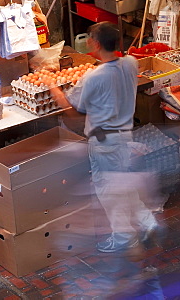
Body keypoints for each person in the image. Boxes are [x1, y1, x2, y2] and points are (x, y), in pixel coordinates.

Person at [47, 23, 157, 253]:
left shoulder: (93, 77)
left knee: (109, 192)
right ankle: (148, 222)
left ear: (96, 44)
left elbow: (74, 112)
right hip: (124, 137)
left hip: (104, 142)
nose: (88, 41)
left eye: (90, 38)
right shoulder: (130, 63)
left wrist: (54, 89)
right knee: (123, 184)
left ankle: (125, 237)